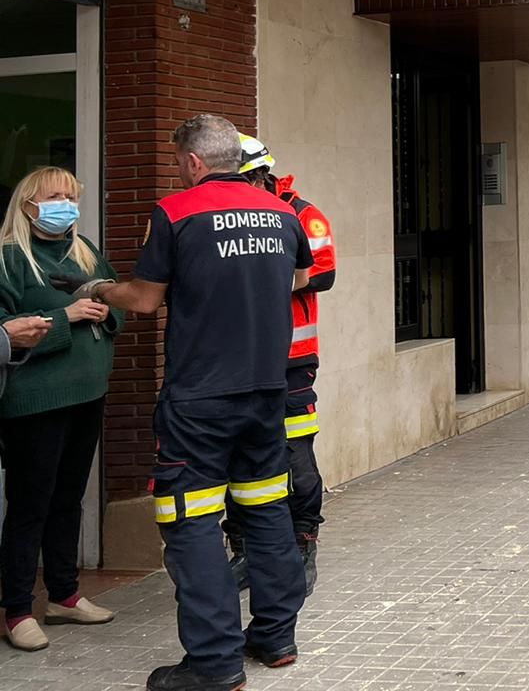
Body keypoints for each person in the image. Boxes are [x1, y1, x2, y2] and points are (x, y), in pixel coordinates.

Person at [66, 114, 312, 691]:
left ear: (194, 162)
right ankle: (276, 639)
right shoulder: (280, 211)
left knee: (192, 519)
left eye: (179, 161)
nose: (179, 171)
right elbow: (299, 276)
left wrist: (97, 288)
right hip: (266, 391)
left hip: (200, 399)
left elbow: (145, 301)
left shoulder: (176, 213)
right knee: (267, 511)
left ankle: (214, 662)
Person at [0, 168, 123, 653]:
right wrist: (64, 317)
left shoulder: (84, 249)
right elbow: (5, 329)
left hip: (87, 394)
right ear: (28, 203)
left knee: (68, 498)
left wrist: (105, 308)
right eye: (55, 197)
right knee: (31, 504)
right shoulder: (11, 259)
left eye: (71, 197)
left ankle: (65, 595)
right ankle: (16, 610)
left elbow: (120, 301)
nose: (66, 205)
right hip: (35, 402)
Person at [224, 135, 335, 595]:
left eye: (245, 178)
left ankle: (302, 539)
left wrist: (255, 274)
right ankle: (245, 547)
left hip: (291, 359)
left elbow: (324, 274)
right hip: (234, 358)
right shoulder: (222, 215)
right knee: (237, 453)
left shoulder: (302, 213)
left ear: (261, 174)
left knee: (295, 455)